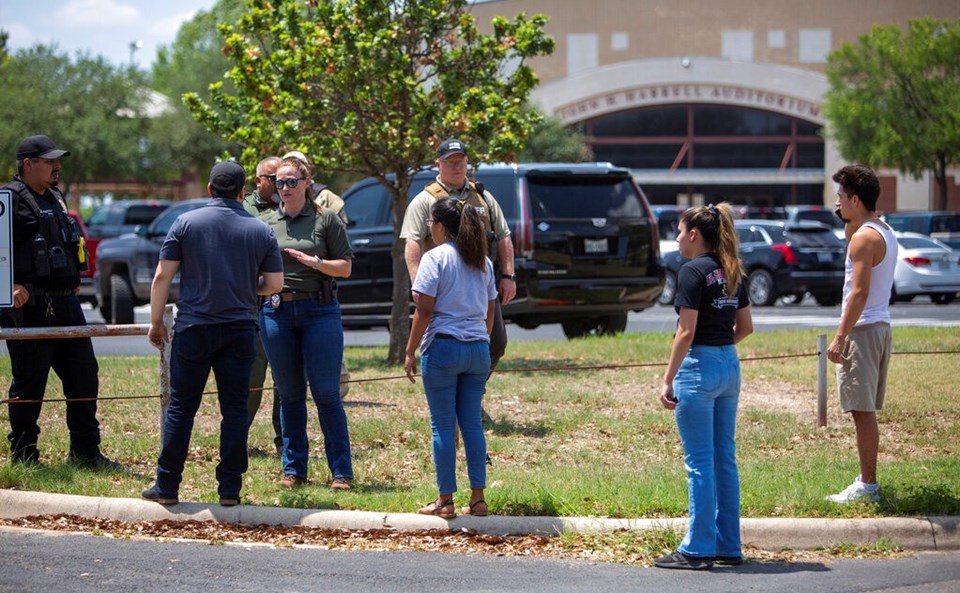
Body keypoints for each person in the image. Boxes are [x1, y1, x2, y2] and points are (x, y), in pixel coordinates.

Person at [142, 161, 284, 506]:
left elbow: (162, 276)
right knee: (234, 409)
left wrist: (156, 321)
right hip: (239, 329)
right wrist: (249, 290)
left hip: (194, 327)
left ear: (209, 190)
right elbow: (275, 284)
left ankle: (168, 484)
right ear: (242, 192)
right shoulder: (260, 230)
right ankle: (229, 489)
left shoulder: (185, 223)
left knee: (181, 408)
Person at [1, 135, 121, 470]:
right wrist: (8, 285)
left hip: (67, 304)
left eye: (58, 161)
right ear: (28, 163)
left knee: (84, 376)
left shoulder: (53, 196)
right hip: (31, 309)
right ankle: (25, 456)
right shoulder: (9, 200)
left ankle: (86, 454)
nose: (57, 167)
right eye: (49, 161)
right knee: (30, 382)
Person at [655, 203, 753, 571]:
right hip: (729, 364)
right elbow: (745, 327)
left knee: (699, 463)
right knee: (723, 459)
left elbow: (686, 331)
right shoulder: (732, 270)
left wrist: (668, 379)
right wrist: (720, 349)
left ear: (694, 234)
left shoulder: (691, 271)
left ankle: (697, 548)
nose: (677, 238)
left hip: (699, 367)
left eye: (679, 231)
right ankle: (729, 545)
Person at [259, 156, 355, 491]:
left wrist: (317, 263)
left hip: (319, 311)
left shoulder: (326, 219)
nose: (284, 188)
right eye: (279, 182)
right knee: (289, 394)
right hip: (276, 312)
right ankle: (294, 469)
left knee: (327, 394)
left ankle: (341, 472)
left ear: (306, 181)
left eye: (291, 182)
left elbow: (345, 268)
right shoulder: (267, 222)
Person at [404, 197, 498, 518]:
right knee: (472, 424)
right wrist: (481, 339)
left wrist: (409, 349)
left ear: (441, 226)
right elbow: (490, 309)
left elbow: (425, 309)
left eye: (431, 223)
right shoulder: (482, 261)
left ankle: (445, 501)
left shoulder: (434, 258)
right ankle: (478, 498)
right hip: (477, 351)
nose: (430, 228)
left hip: (443, 347)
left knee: (442, 426)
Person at [400, 138, 516, 373]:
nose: (456, 166)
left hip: (479, 283)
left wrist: (508, 276)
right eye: (449, 161)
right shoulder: (425, 200)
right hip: (443, 285)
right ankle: (454, 396)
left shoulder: (482, 196)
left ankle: (474, 392)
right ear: (438, 164)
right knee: (445, 344)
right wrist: (417, 283)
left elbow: (503, 235)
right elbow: (412, 243)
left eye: (460, 161)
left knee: (495, 343)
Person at [825, 164, 897, 504]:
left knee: (861, 411)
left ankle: (868, 486)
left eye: (840, 196)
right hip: (879, 326)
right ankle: (868, 481)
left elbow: (858, 293)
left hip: (863, 329)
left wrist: (840, 336)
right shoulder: (882, 230)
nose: (836, 203)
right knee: (863, 410)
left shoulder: (863, 239)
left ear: (855, 199)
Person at [243, 156, 284, 455]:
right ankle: (237, 436)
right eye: (274, 178)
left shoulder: (292, 206)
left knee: (286, 378)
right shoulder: (246, 209)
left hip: (285, 304)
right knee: (252, 378)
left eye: (286, 178)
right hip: (256, 303)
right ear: (259, 181)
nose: (281, 184)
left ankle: (285, 440)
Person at [281, 150, 348, 224]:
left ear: (308, 169)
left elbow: (341, 228)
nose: (292, 169)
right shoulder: (280, 198)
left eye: (298, 166)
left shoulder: (327, 197)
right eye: (286, 165)